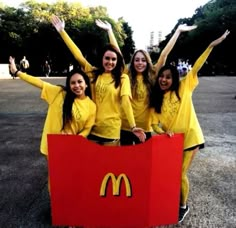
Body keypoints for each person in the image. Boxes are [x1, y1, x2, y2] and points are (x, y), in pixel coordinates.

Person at [150, 30, 230, 223]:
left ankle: (183, 206)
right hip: (171, 141)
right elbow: (153, 124)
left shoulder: (184, 87)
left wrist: (211, 45)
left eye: (168, 77)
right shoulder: (157, 99)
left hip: (191, 138)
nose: (164, 80)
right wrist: (163, 131)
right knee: (169, 174)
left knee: (179, 174)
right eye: (162, 77)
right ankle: (170, 200)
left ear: (174, 78)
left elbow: (196, 67)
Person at [96, 19, 197, 145]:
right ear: (133, 62)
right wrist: (110, 31)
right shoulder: (126, 74)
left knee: (142, 163)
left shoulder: (153, 74)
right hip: (126, 126)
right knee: (126, 162)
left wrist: (177, 32)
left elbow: (164, 54)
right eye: (137, 60)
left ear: (147, 61)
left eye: (143, 60)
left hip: (145, 128)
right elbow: (118, 54)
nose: (140, 63)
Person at [51, 15, 146, 146]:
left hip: (111, 132)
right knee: (91, 166)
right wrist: (62, 31)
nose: (110, 62)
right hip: (91, 129)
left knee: (110, 166)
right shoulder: (93, 73)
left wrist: (133, 126)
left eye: (113, 59)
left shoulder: (122, 78)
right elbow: (78, 56)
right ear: (102, 58)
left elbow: (126, 102)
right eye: (107, 58)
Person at [9, 55, 96, 155]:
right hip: (51, 147)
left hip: (71, 147)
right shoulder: (59, 93)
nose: (76, 85)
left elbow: (87, 129)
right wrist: (16, 72)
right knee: (54, 171)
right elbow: (39, 83)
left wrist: (75, 139)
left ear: (86, 84)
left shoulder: (91, 106)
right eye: (73, 83)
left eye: (80, 82)